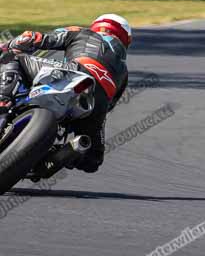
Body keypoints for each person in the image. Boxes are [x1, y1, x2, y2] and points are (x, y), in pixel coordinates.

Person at [0, 14, 131, 173]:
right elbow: (110, 106)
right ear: (125, 39)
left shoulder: (83, 32)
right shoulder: (124, 71)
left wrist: (9, 45)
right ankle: (59, 155)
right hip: (97, 104)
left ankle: (3, 100)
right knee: (92, 160)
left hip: (74, 72)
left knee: (14, 58)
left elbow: (35, 38)